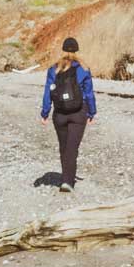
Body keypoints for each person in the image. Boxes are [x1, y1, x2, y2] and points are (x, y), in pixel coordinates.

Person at [40, 37, 97, 193]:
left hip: (59, 113)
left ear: (63, 49)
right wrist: (92, 112)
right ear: (76, 50)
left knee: (64, 146)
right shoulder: (84, 68)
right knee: (72, 147)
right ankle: (67, 181)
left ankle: (66, 177)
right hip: (79, 112)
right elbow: (89, 93)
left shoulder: (54, 68)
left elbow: (48, 92)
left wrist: (45, 112)